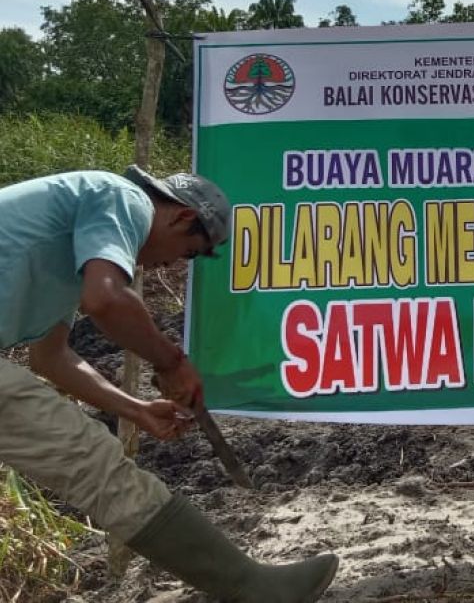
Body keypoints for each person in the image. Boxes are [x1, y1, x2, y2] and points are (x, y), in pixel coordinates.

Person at [0, 166, 339, 600]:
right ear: (180, 217)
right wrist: (172, 362)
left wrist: (136, 409)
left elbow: (51, 357)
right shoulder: (121, 197)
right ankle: (253, 589)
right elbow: (106, 299)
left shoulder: (68, 255)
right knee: (93, 464)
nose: (171, 264)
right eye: (189, 252)